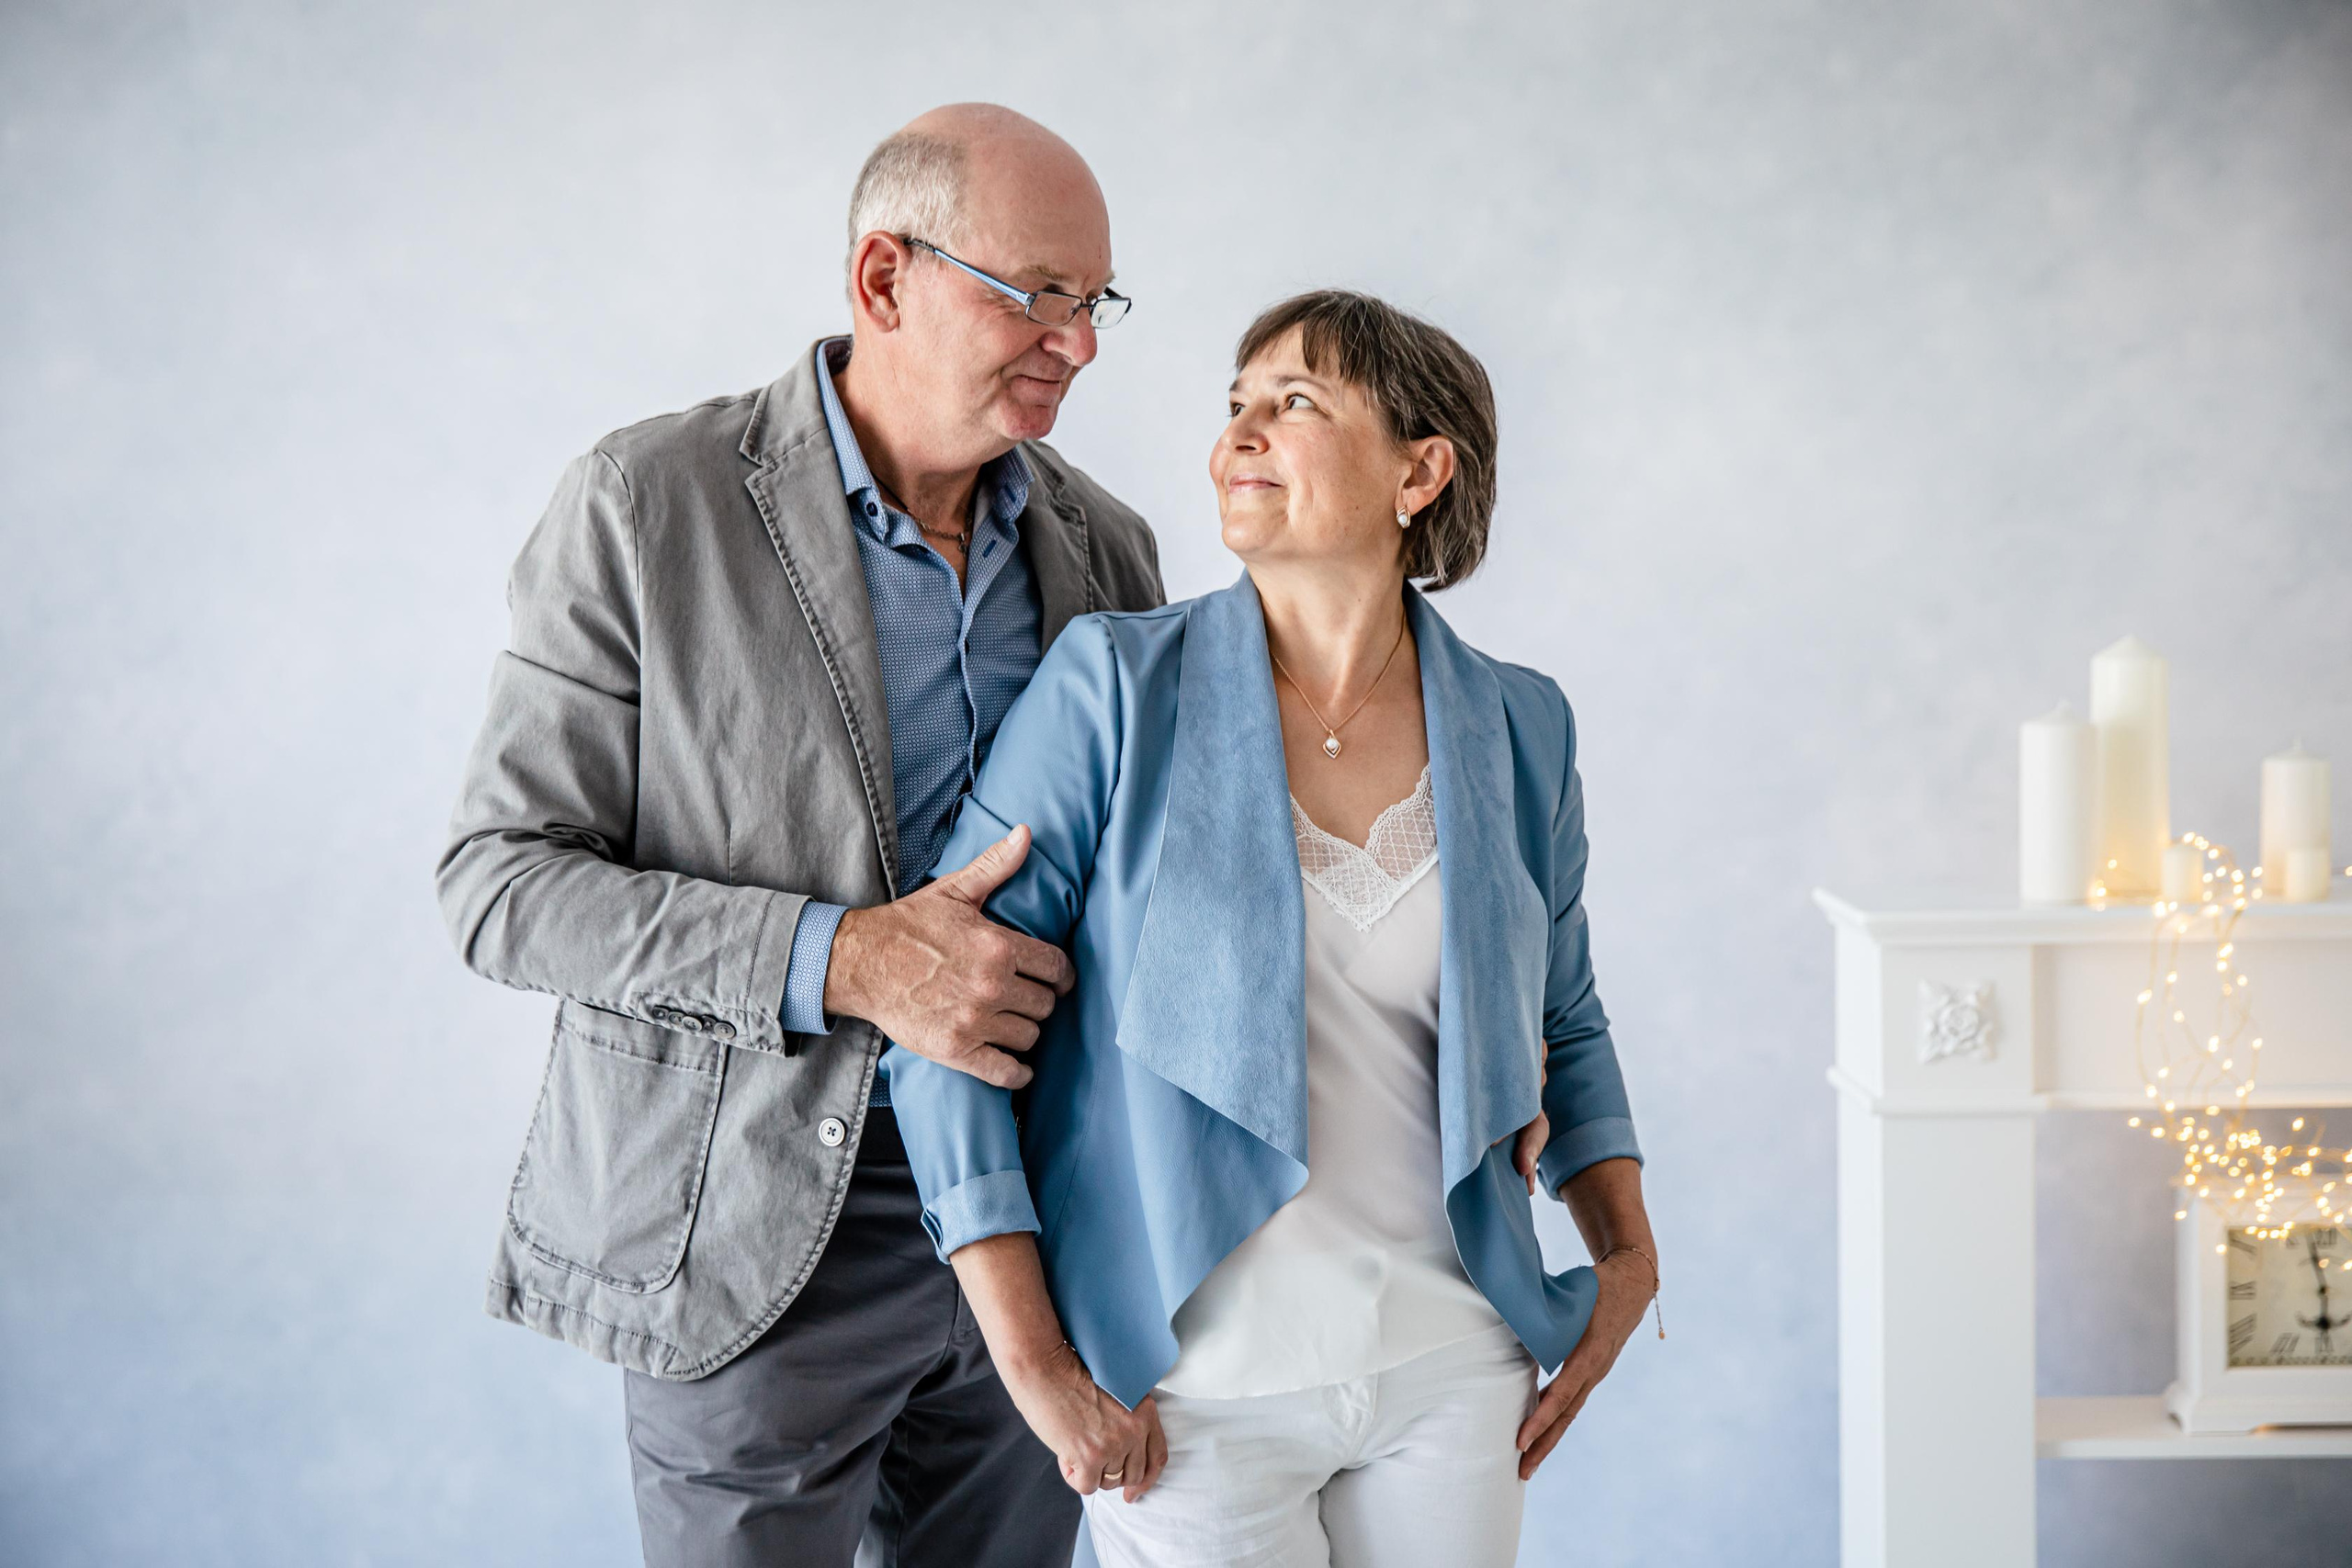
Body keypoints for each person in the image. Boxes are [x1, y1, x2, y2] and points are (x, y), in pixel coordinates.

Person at [435, 104, 1164, 1568]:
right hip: (746, 1241)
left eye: (1097, 302)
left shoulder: (1110, 550)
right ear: (885, 277)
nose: (1079, 345)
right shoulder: (648, 504)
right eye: (1038, 295)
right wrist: (846, 960)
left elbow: (1153, 897)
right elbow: (503, 887)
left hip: (1037, 1247)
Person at [885, 290, 1661, 1567]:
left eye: (1295, 403)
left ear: (1420, 472)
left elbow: (1564, 1015)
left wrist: (1626, 1262)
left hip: (1455, 1370)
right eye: (1235, 404)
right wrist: (1039, 1369)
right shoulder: (1112, 688)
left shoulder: (1523, 724)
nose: (1238, 436)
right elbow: (945, 1031)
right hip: (1189, 1398)